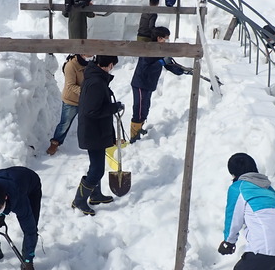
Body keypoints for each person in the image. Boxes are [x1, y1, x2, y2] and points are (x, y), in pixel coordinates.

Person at [72, 55, 123, 216]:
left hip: (96, 131)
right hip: (93, 132)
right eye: (112, 65)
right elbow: (91, 110)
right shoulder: (96, 83)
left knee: (96, 165)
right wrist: (112, 108)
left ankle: (95, 195)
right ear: (109, 65)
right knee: (97, 169)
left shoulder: (96, 78)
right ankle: (79, 201)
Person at [129, 27, 190, 142]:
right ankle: (134, 136)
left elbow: (168, 63)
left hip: (149, 84)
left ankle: (139, 128)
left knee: (145, 108)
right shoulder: (148, 50)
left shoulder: (161, 49)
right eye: (165, 39)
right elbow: (146, 69)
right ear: (159, 38)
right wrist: (160, 62)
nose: (167, 41)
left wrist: (182, 71)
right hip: (141, 83)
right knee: (139, 109)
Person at [46, 54, 92, 155]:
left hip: (86, 100)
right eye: (89, 53)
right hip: (71, 100)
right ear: (82, 54)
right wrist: (87, 92)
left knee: (90, 122)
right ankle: (55, 142)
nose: (91, 55)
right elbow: (70, 85)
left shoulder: (91, 64)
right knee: (65, 124)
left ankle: (93, 144)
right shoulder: (70, 66)